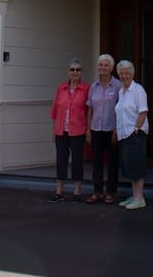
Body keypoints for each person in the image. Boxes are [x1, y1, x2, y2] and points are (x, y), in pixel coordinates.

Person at [49, 58, 89, 203]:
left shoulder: (85, 89)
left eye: (78, 69)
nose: (75, 72)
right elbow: (55, 110)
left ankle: (77, 192)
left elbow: (89, 111)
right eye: (72, 69)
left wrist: (88, 131)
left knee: (77, 161)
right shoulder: (61, 88)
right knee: (61, 160)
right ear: (68, 72)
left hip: (78, 131)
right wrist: (53, 131)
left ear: (81, 72)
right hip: (61, 130)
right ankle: (59, 192)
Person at [114, 59, 149, 210]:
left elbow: (143, 111)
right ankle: (134, 195)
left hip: (135, 133)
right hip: (124, 134)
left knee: (137, 165)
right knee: (130, 166)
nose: (124, 76)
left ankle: (139, 198)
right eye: (121, 73)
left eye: (127, 73)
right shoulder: (121, 91)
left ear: (132, 74)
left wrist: (136, 129)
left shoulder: (138, 90)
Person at [85, 53, 120, 204]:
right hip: (96, 129)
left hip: (111, 129)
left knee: (112, 162)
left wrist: (117, 130)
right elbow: (90, 109)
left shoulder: (118, 86)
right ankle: (97, 191)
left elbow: (121, 109)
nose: (103, 68)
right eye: (101, 65)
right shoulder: (93, 86)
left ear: (111, 68)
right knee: (97, 162)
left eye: (106, 65)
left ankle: (111, 192)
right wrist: (88, 130)